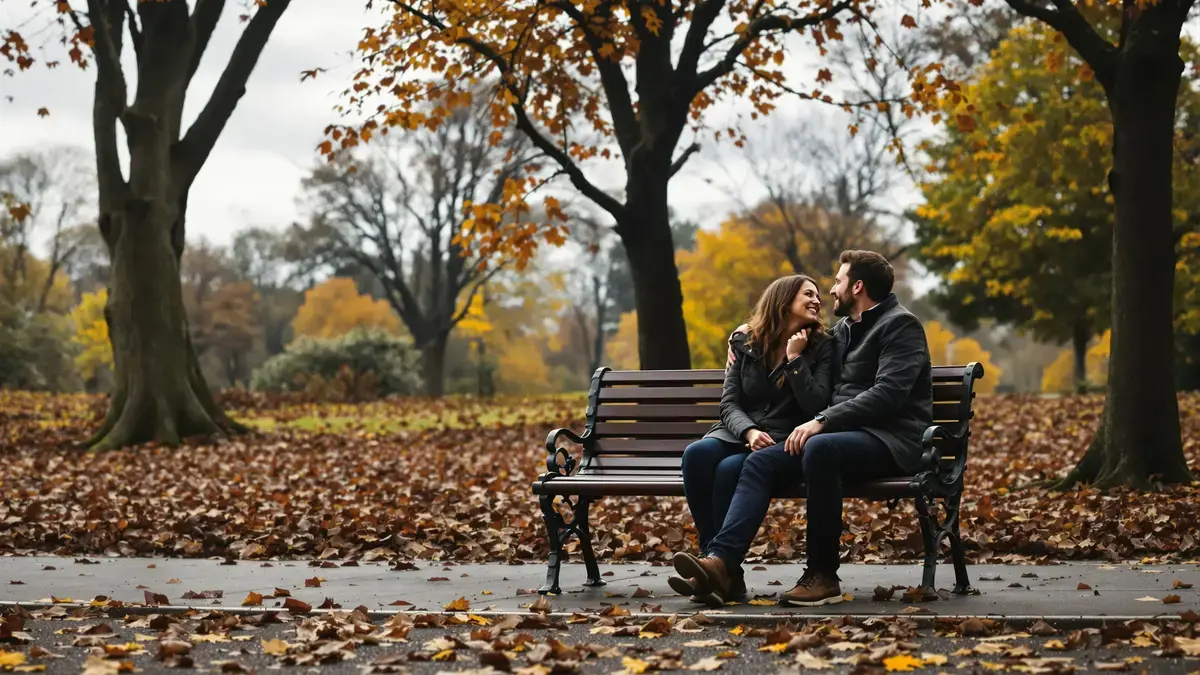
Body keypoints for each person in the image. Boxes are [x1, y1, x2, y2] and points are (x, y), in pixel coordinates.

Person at [671, 250, 933, 607]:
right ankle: (721, 564)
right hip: (843, 433)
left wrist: (822, 421)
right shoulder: (844, 330)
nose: (831, 291)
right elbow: (790, 334)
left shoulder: (900, 325)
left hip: (890, 438)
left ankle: (823, 575)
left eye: (838, 282)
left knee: (821, 448)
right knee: (758, 462)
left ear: (857, 286)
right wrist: (743, 332)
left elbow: (888, 395)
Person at [669, 275, 836, 604]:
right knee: (696, 455)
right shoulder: (745, 342)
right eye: (808, 294)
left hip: (782, 439)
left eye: (818, 295)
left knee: (729, 469)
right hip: (739, 431)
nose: (817, 301)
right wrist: (747, 430)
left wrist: (795, 359)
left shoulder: (823, 347)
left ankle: (720, 571)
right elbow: (728, 403)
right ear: (783, 301)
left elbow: (818, 404)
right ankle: (716, 566)